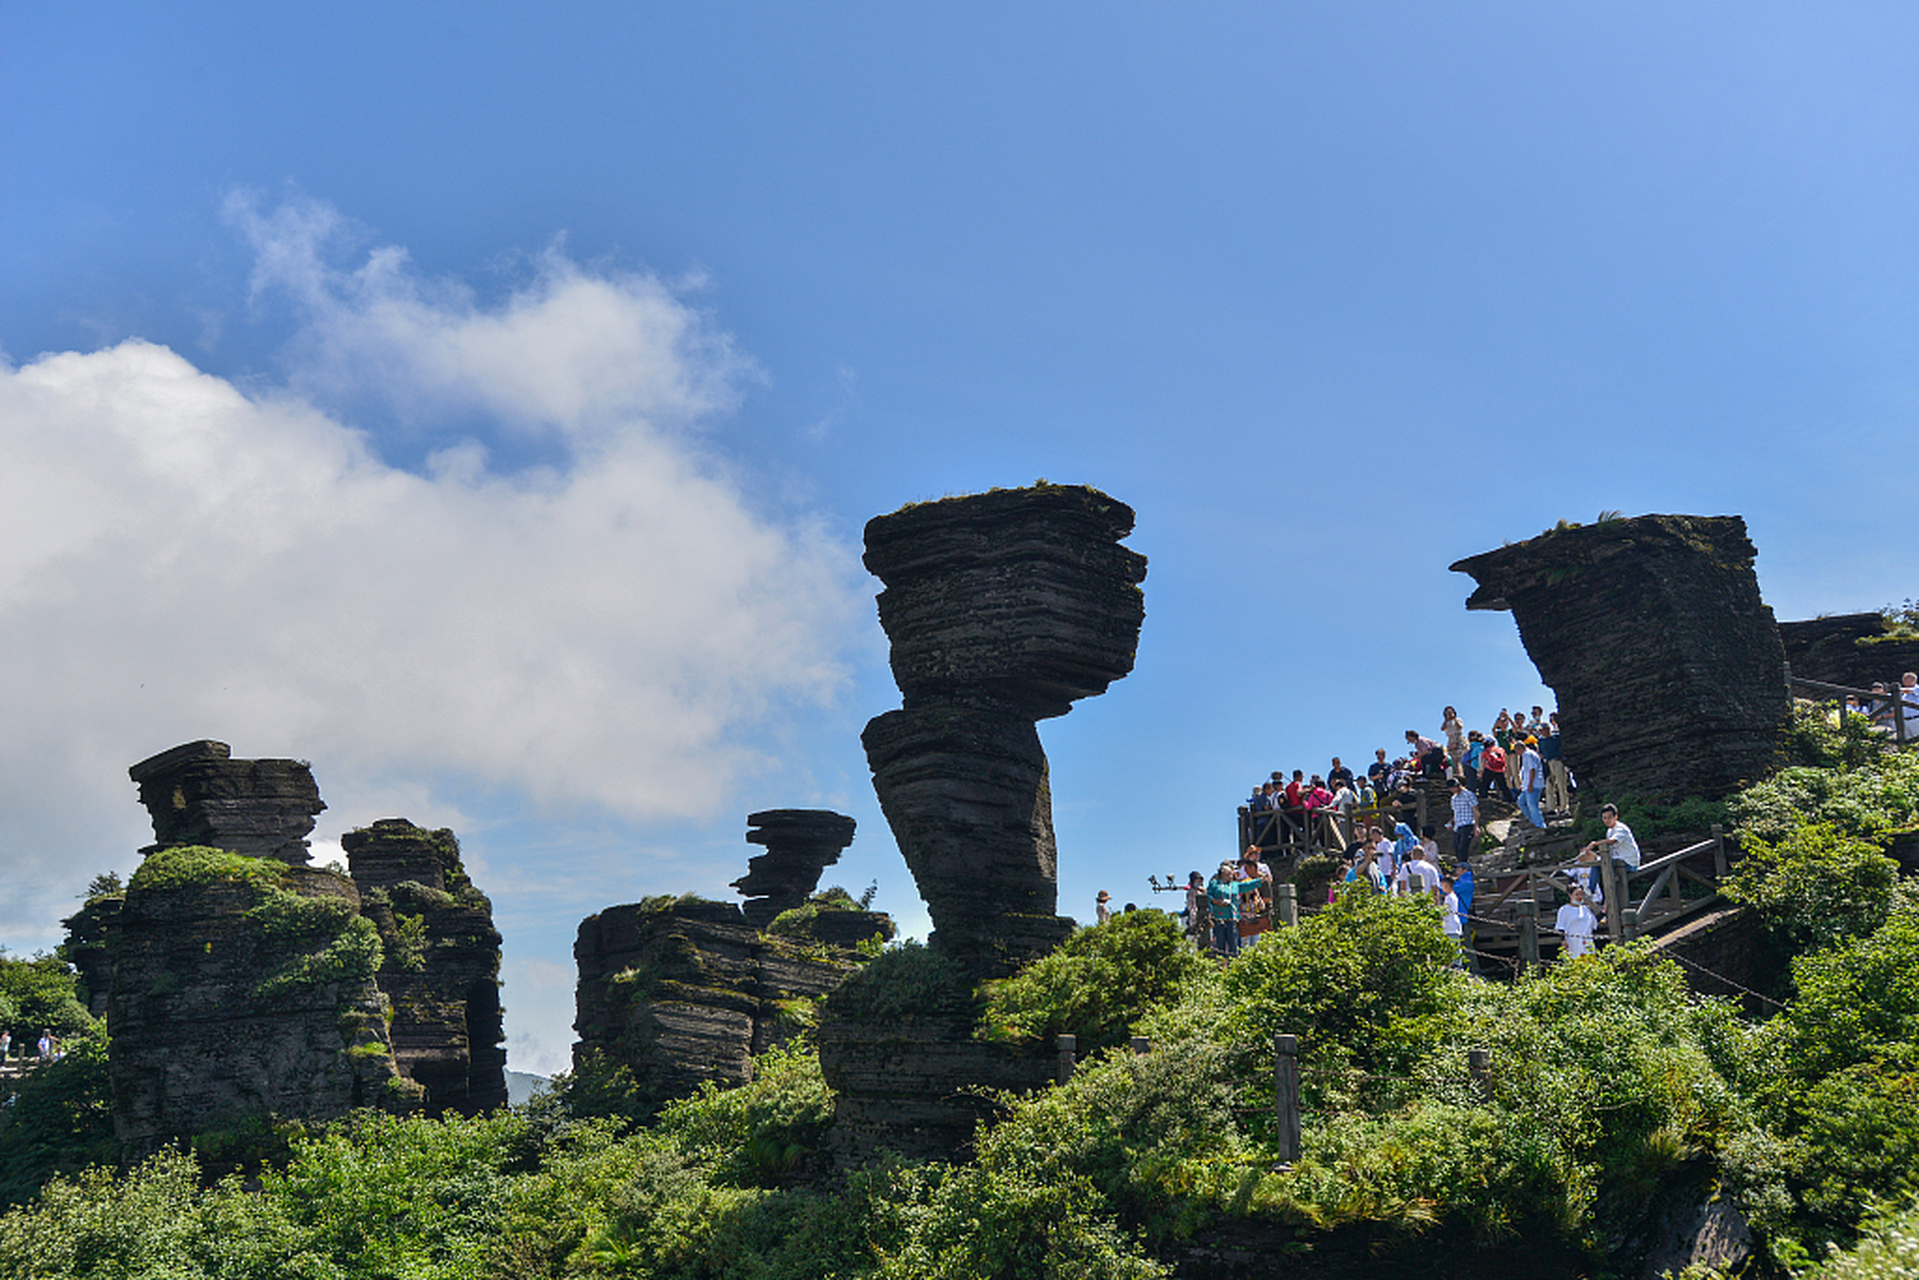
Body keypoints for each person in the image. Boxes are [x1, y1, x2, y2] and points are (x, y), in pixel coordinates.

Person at [1208, 861, 1259, 957]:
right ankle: (1221, 965)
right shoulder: (1214, 884)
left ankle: (1233, 965)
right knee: (1220, 944)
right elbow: (1207, 895)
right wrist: (1216, 901)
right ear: (1223, 874)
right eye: (1229, 874)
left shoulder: (1235, 885)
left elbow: (1247, 886)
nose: (1231, 875)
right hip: (1219, 917)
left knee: (1234, 943)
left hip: (1232, 917)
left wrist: (1260, 881)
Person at [1580, 803, 1641, 870]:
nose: (1607, 820)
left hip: (1629, 863)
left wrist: (1594, 844)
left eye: (1610, 817)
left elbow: (1612, 841)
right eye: (1604, 818)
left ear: (1616, 817)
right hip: (1618, 863)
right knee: (1597, 864)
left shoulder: (1621, 828)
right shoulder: (1609, 831)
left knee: (1599, 865)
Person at [1555, 885, 1600, 959]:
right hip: (1573, 943)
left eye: (1581, 894)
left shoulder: (1585, 909)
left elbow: (1594, 922)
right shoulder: (1564, 910)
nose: (1579, 897)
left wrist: (1604, 912)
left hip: (1587, 942)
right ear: (1570, 895)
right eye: (1577, 894)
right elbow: (1561, 927)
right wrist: (1563, 941)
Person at [1515, 736, 1546, 828]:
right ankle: (1533, 820)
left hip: (1534, 784)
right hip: (1528, 784)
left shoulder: (1528, 755)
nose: (1516, 753)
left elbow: (1532, 769)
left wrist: (1530, 784)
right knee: (1521, 802)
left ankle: (1540, 824)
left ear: (1519, 748)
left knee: (1532, 805)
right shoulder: (1529, 754)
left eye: (1516, 750)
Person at [1446, 778, 1479, 862]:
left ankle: (1464, 867)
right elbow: (1456, 813)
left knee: (1463, 848)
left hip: (1467, 824)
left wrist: (1476, 826)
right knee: (1456, 848)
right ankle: (1461, 866)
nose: (1452, 790)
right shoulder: (1453, 798)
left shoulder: (1469, 795)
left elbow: (1476, 811)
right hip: (1457, 826)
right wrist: (1451, 822)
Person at [1441, 707, 1466, 779]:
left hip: (1458, 737)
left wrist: (1454, 718)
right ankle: (1457, 773)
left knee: (1460, 756)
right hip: (1451, 739)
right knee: (1453, 757)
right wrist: (1446, 719)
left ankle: (1462, 773)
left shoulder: (1458, 720)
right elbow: (1442, 728)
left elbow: (1460, 727)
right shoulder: (1447, 722)